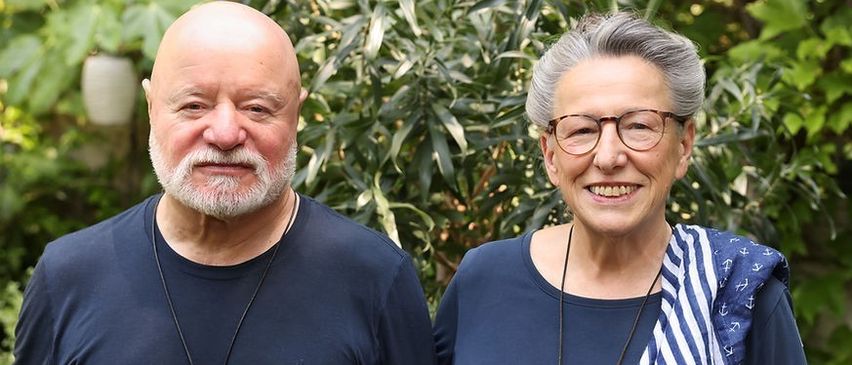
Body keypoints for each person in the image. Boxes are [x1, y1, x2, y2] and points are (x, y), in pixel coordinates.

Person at [15, 2, 436, 364]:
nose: (224, 134)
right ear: (151, 106)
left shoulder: (375, 278)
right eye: (194, 105)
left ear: (296, 114)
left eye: (256, 108)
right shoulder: (68, 276)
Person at [433, 12, 806, 365]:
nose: (608, 157)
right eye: (581, 130)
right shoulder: (484, 280)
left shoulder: (740, 293)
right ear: (550, 156)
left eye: (639, 126)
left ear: (684, 146)